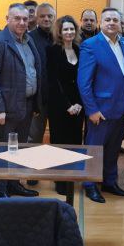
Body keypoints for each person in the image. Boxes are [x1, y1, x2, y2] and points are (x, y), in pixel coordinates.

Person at [0, 3, 43, 198]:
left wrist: (36, 103)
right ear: (7, 19)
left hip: (26, 104)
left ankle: (14, 183)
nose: (22, 22)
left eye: (25, 19)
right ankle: (0, 189)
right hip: (6, 108)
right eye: (17, 18)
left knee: (19, 147)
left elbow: (33, 71)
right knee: (4, 148)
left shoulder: (28, 40)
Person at [78, 8, 124, 203]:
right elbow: (84, 82)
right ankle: (89, 184)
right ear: (101, 23)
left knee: (113, 148)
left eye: (115, 20)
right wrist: (91, 109)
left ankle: (110, 181)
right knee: (94, 149)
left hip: (121, 107)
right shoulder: (90, 45)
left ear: (120, 24)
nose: (111, 23)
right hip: (100, 110)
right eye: (107, 19)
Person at [46, 15, 84, 195]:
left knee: (75, 141)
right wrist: (67, 105)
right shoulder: (52, 50)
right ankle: (60, 180)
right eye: (65, 29)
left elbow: (83, 79)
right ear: (59, 32)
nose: (69, 32)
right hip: (59, 104)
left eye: (72, 29)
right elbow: (53, 82)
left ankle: (71, 177)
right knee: (60, 142)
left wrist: (79, 103)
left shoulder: (79, 49)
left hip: (78, 104)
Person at [27, 2, 57, 148]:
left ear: (54, 17)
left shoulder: (60, 37)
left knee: (59, 137)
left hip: (58, 97)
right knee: (34, 137)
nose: (46, 19)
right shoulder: (28, 38)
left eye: (50, 16)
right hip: (38, 97)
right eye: (42, 16)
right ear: (36, 18)